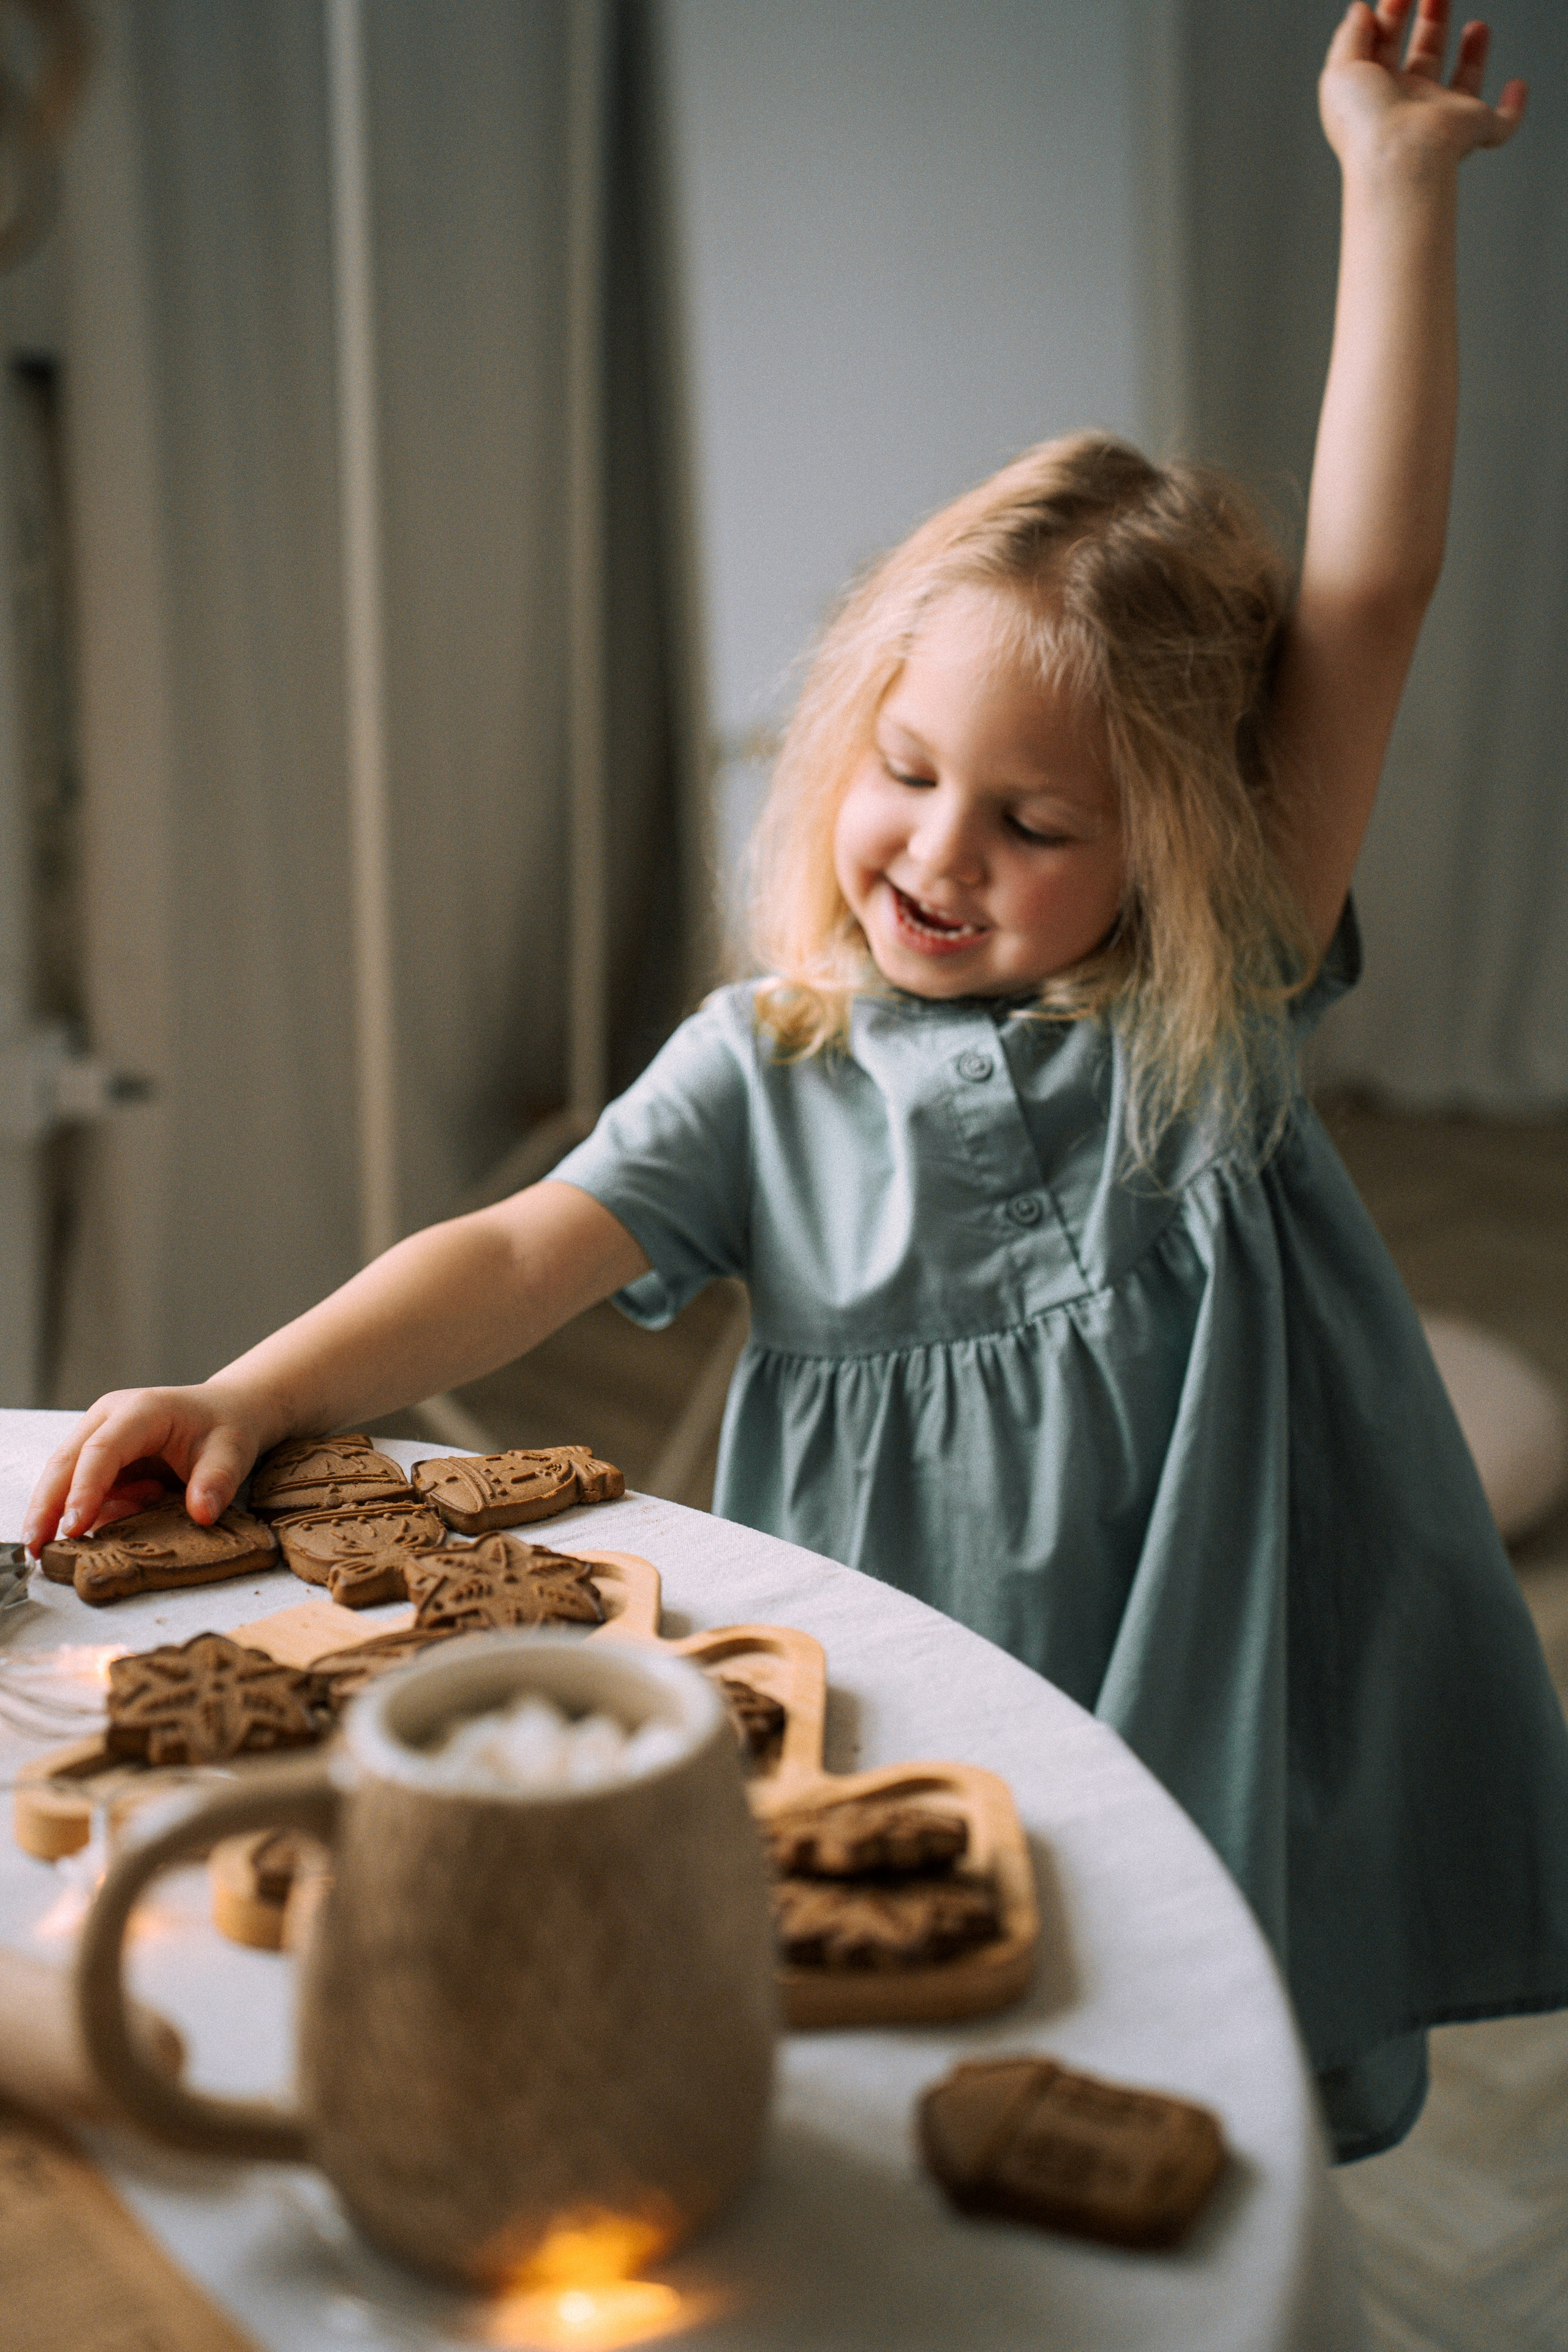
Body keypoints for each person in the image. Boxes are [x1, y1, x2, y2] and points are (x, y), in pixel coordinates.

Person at [24, 0, 1568, 2160]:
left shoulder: (1197, 1018)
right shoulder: (771, 1063)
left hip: (1201, 1663)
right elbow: (510, 1253)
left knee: (1182, 2044)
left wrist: (1392, 187)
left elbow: (1371, 589)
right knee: (883, 2005)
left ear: (1179, 849)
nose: (940, 855)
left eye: (1036, 827)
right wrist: (264, 1389)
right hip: (904, 1646)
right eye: (911, 777)